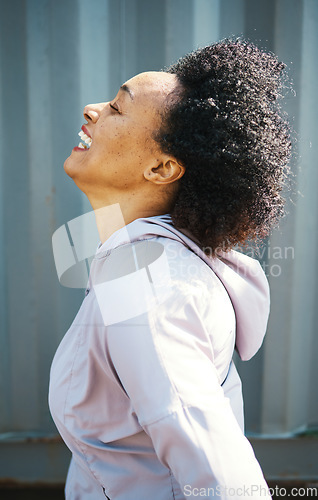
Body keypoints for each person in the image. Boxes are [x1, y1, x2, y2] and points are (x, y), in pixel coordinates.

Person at [49, 39, 291, 499]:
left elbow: (216, 467)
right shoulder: (143, 261)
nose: (92, 108)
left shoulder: (148, 283)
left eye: (118, 108)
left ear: (161, 168)